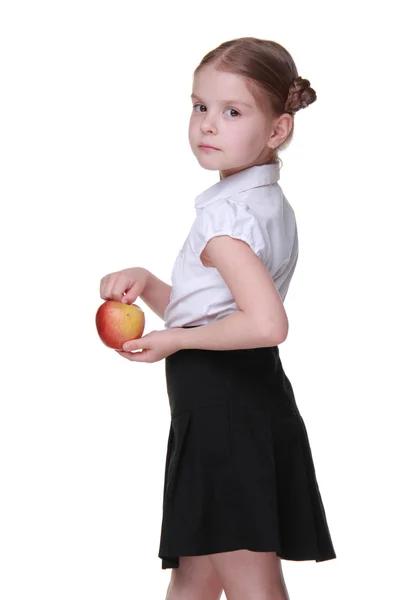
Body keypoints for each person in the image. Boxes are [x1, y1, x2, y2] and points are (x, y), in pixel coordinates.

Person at [99, 36, 336, 600]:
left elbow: (265, 324)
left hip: (223, 410)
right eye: (200, 106)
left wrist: (172, 341)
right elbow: (217, 310)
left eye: (232, 112)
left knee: (251, 579)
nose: (207, 124)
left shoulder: (226, 219)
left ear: (278, 129)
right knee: (196, 576)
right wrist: (153, 287)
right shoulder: (260, 202)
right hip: (242, 399)